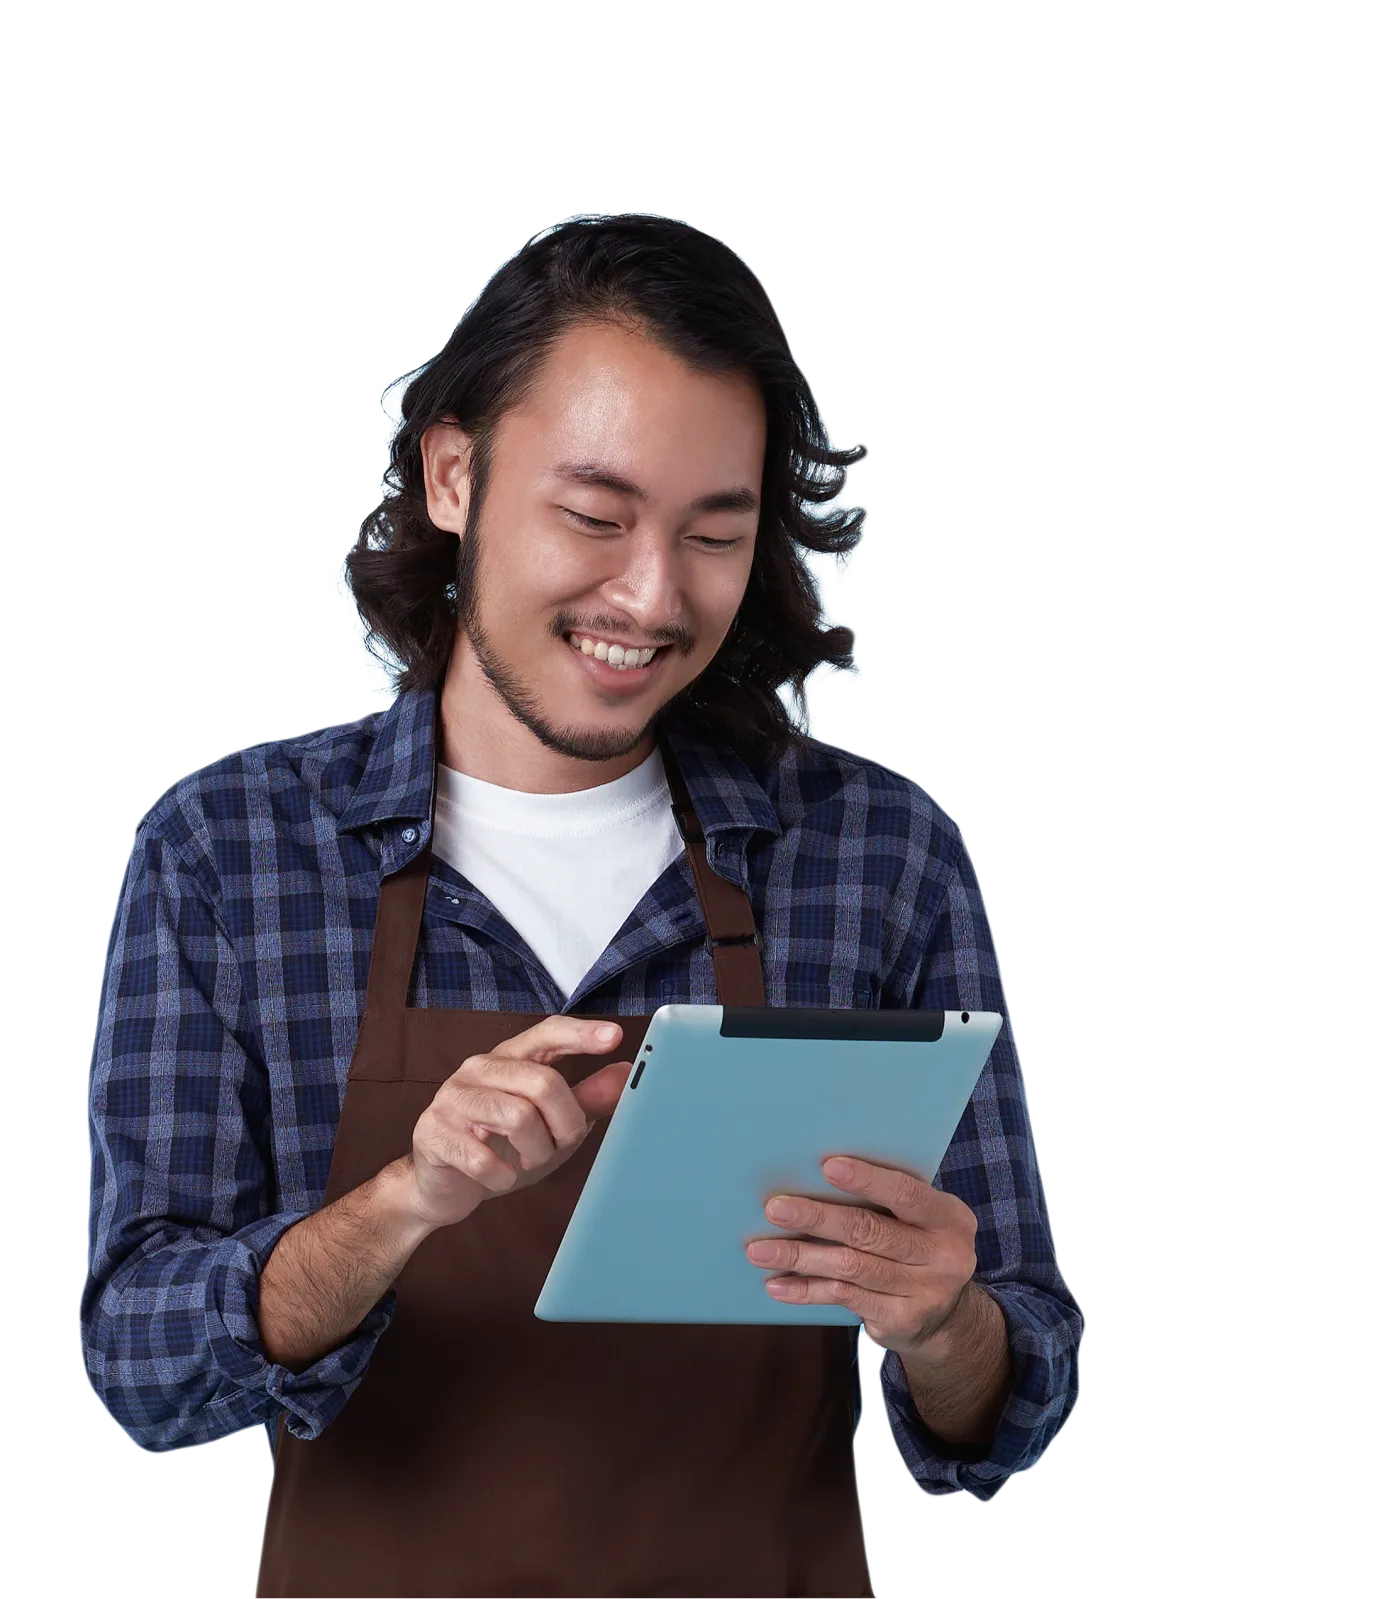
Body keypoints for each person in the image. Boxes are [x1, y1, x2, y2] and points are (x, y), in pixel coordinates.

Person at [80, 213, 1085, 1598]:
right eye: (596, 516)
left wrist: (944, 1318)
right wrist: (402, 1203)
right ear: (453, 473)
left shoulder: (875, 854)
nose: (651, 594)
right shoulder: (233, 851)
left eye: (713, 534)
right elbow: (141, 1367)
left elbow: (1010, 1392)